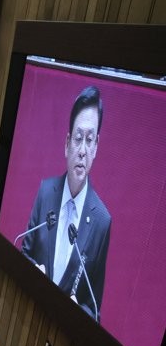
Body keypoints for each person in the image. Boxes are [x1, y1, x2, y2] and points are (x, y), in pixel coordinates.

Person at [20, 86, 111, 321]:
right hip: (27, 312)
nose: (82, 150)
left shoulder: (101, 221)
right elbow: (24, 253)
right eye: (78, 139)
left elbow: (93, 309)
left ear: (97, 147)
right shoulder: (45, 192)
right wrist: (32, 272)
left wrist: (75, 313)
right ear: (67, 143)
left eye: (89, 141)